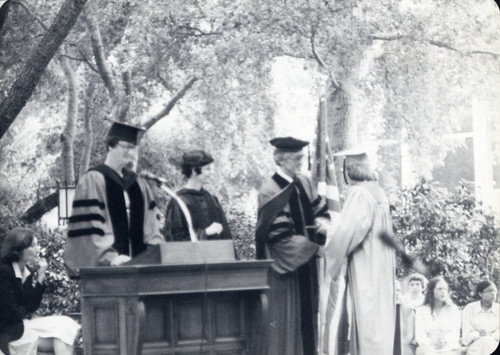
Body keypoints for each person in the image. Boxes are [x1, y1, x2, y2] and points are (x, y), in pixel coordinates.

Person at [255, 136, 331, 355]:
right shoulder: (269, 191)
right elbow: (279, 236)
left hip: (306, 267)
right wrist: (314, 249)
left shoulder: (304, 182)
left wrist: (323, 225)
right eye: (295, 158)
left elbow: (321, 211)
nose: (300, 162)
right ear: (280, 159)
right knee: (287, 324)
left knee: (308, 321)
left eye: (301, 158)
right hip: (286, 272)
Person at [64, 122, 165, 276]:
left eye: (134, 147)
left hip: (142, 272)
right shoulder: (93, 179)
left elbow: (152, 224)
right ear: (110, 146)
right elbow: (90, 225)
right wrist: (110, 258)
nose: (131, 152)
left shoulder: (139, 184)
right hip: (108, 274)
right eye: (127, 147)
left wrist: (157, 255)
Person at [325, 148, 396, 355]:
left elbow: (348, 232)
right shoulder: (378, 192)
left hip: (367, 267)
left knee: (368, 321)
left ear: (351, 170)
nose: (343, 173)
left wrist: (326, 244)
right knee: (378, 322)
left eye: (345, 168)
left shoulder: (361, 194)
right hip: (380, 268)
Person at [0, 228, 80, 355]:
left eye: (37, 245)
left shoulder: (26, 271)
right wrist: (27, 314)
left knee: (65, 326)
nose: (37, 250)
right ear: (19, 249)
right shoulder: (4, 271)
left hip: (21, 325)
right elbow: (9, 311)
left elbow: (31, 306)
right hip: (8, 331)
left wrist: (40, 276)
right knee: (63, 330)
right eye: (33, 246)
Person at [163, 150, 232, 241]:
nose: (212, 173)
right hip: (192, 255)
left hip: (216, 254)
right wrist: (205, 233)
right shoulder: (179, 201)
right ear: (194, 170)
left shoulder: (212, 200)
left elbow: (226, 237)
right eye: (208, 169)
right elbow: (173, 241)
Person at [414, 276, 461, 355]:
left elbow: (455, 333)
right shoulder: (421, 310)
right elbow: (419, 335)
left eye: (445, 289)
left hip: (449, 347)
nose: (443, 292)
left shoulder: (453, 309)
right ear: (432, 291)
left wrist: (445, 341)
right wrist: (431, 342)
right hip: (428, 347)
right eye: (440, 289)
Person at [461, 280, 499, 355]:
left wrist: (491, 336)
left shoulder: (498, 309)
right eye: (489, 291)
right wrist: (478, 334)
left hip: (495, 344)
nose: (493, 293)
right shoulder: (470, 309)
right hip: (475, 346)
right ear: (480, 294)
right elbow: (465, 337)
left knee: (488, 342)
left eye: (495, 290)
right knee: (485, 342)